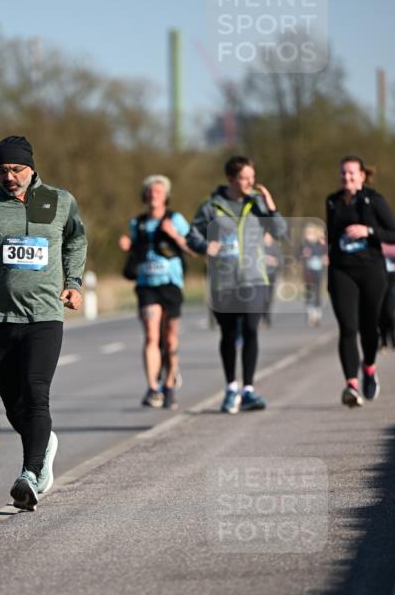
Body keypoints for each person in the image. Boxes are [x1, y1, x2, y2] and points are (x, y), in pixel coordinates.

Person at [0, 134, 87, 509]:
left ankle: (29, 473)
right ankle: (44, 444)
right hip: (0, 316)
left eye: (16, 169)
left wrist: (74, 283)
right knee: (13, 405)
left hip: (45, 315)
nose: (9, 176)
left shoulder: (59, 201)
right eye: (2, 170)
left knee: (35, 392)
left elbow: (76, 240)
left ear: (31, 167)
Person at [188, 156, 287, 413]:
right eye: (244, 178)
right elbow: (192, 235)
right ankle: (231, 388)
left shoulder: (258, 204)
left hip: (255, 278)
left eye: (252, 178)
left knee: (252, 330)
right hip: (224, 281)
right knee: (229, 334)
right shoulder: (212, 206)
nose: (250, 183)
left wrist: (271, 206)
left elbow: (281, 232)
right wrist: (204, 246)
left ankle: (249, 390)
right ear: (230, 178)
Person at [326, 157, 395, 406]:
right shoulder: (333, 201)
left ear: (362, 175)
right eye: (343, 173)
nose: (346, 177)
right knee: (348, 327)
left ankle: (368, 367)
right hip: (341, 271)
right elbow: (331, 235)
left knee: (369, 328)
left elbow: (393, 234)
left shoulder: (374, 200)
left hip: (371, 271)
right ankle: (351, 385)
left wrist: (367, 231)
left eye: (351, 173)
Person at [118, 174, 191, 409]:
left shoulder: (175, 219)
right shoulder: (137, 223)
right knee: (151, 336)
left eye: (158, 192)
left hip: (171, 283)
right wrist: (128, 246)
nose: (153, 195)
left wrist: (174, 234)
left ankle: (169, 385)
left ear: (166, 196)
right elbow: (137, 251)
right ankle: (153, 388)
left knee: (169, 339)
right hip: (146, 284)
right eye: (150, 192)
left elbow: (192, 248)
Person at [300, 222, 328, 327]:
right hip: (308, 272)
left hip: (318, 271)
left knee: (317, 292)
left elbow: (325, 255)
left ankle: (317, 314)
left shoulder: (320, 244)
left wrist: (324, 258)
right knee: (308, 292)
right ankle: (310, 313)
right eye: (307, 232)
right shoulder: (303, 244)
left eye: (311, 232)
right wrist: (303, 255)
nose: (309, 234)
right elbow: (298, 256)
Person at [379, 243, 395, 351]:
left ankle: (394, 339)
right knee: (381, 312)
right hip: (378, 275)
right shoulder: (375, 236)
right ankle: (383, 341)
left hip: (393, 276)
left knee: (391, 311)